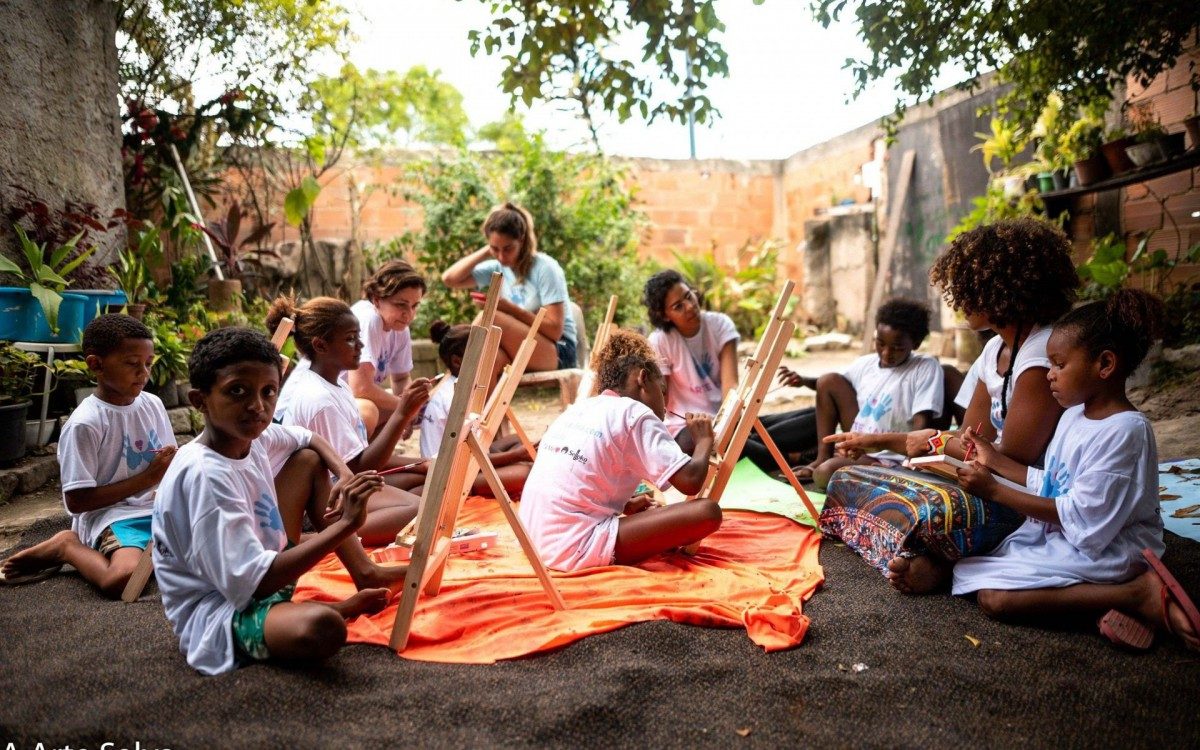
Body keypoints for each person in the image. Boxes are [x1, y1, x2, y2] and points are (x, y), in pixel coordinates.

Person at [821, 218, 1080, 594]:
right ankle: (941, 557)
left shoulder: (1040, 355)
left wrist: (925, 442)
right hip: (981, 478)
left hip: (1021, 498)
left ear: (999, 289)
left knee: (932, 510)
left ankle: (943, 561)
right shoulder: (995, 349)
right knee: (844, 477)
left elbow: (1006, 461)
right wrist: (908, 443)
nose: (957, 297)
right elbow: (971, 438)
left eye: (966, 284)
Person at [952, 289, 1198, 652]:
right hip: (1070, 535)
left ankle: (1137, 595)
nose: (1049, 375)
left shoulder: (1125, 430)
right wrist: (994, 459)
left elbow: (1082, 515)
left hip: (1111, 546)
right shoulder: (1072, 415)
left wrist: (994, 491)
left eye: (1059, 365)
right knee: (969, 571)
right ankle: (1100, 606)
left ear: (1105, 365)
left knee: (996, 599)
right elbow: (1051, 483)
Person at [152, 327, 395, 675]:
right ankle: (333, 609)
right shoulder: (206, 475)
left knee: (309, 461)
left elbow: (309, 438)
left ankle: (365, 572)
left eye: (269, 392)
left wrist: (343, 473)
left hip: (266, 576)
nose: (257, 406)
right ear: (199, 400)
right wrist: (346, 526)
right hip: (220, 616)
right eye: (237, 391)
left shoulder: (253, 435)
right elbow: (256, 584)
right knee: (322, 629)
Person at [517, 329, 722, 572]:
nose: (665, 407)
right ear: (643, 379)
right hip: (570, 548)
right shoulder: (635, 413)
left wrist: (624, 505)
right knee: (707, 512)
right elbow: (690, 481)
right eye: (663, 391)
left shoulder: (579, 409)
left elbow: (576, 480)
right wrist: (704, 441)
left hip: (532, 541)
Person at [0, 315, 176, 594]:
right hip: (114, 517)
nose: (144, 372)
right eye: (132, 364)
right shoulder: (85, 423)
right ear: (96, 365)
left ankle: (157, 552)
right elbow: (78, 500)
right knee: (124, 578)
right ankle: (66, 546)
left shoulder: (152, 404)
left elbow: (167, 468)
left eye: (148, 363)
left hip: (160, 510)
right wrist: (147, 478)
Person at [268, 296, 432, 544]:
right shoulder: (319, 399)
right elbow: (358, 468)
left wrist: (420, 464)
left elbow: (360, 458)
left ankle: (349, 530)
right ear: (320, 346)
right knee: (421, 510)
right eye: (350, 339)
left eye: (358, 336)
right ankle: (315, 540)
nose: (361, 345)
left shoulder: (336, 386)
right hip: (321, 502)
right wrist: (402, 414)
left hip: (345, 484)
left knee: (425, 484)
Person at [773, 298, 952, 489]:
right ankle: (821, 457)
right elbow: (831, 387)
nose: (885, 353)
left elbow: (922, 420)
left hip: (894, 456)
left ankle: (885, 473)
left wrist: (912, 463)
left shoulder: (924, 367)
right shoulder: (865, 364)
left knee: (824, 475)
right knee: (828, 380)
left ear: (915, 344)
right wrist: (802, 381)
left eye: (897, 348)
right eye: (880, 343)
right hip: (862, 446)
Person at [441, 202, 578, 381]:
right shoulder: (497, 266)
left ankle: (457, 380)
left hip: (558, 350)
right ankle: (480, 409)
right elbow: (449, 279)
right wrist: (488, 249)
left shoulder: (545, 267)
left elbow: (554, 330)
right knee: (490, 360)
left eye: (508, 248)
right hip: (523, 346)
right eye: (495, 249)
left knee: (490, 317)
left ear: (521, 240)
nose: (501, 256)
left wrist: (508, 308)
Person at [414, 320, 534, 497]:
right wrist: (516, 456)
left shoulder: (458, 385)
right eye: (483, 354)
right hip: (449, 477)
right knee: (527, 472)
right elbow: (468, 460)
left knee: (517, 440)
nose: (490, 360)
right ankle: (474, 491)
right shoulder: (457, 396)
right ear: (457, 361)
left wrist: (516, 453)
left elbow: (475, 447)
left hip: (464, 459)